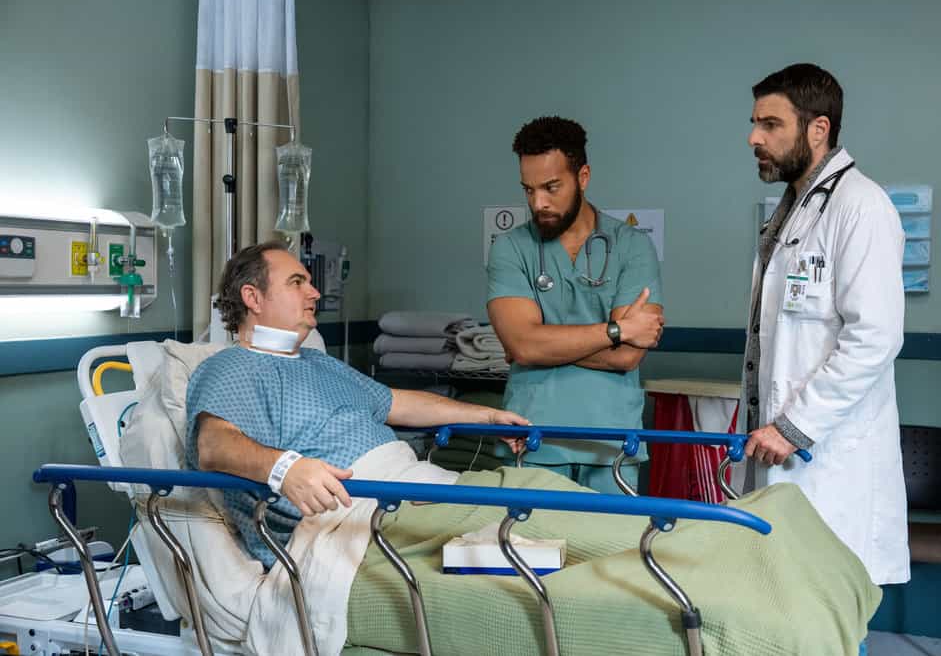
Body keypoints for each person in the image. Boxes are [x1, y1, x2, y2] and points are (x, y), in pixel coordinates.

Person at [185, 241, 527, 566]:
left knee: (537, 493)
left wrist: (487, 415)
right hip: (359, 513)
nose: (315, 292)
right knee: (539, 522)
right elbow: (213, 445)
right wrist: (285, 468)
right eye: (297, 282)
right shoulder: (232, 366)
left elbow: (397, 402)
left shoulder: (319, 362)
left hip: (411, 487)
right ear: (253, 297)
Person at [742, 63, 909, 586]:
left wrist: (794, 427)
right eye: (754, 123)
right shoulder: (792, 210)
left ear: (819, 129)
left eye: (771, 125)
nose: (753, 138)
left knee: (826, 609)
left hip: (830, 457)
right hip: (783, 448)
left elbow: (875, 338)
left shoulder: (862, 207)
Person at [487, 116, 664, 494]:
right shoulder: (510, 248)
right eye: (529, 190)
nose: (539, 202)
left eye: (551, 187)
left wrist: (538, 345)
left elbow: (627, 357)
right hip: (532, 440)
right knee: (526, 552)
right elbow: (524, 345)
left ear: (582, 176)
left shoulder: (632, 246)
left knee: (613, 551)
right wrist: (615, 331)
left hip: (610, 444)